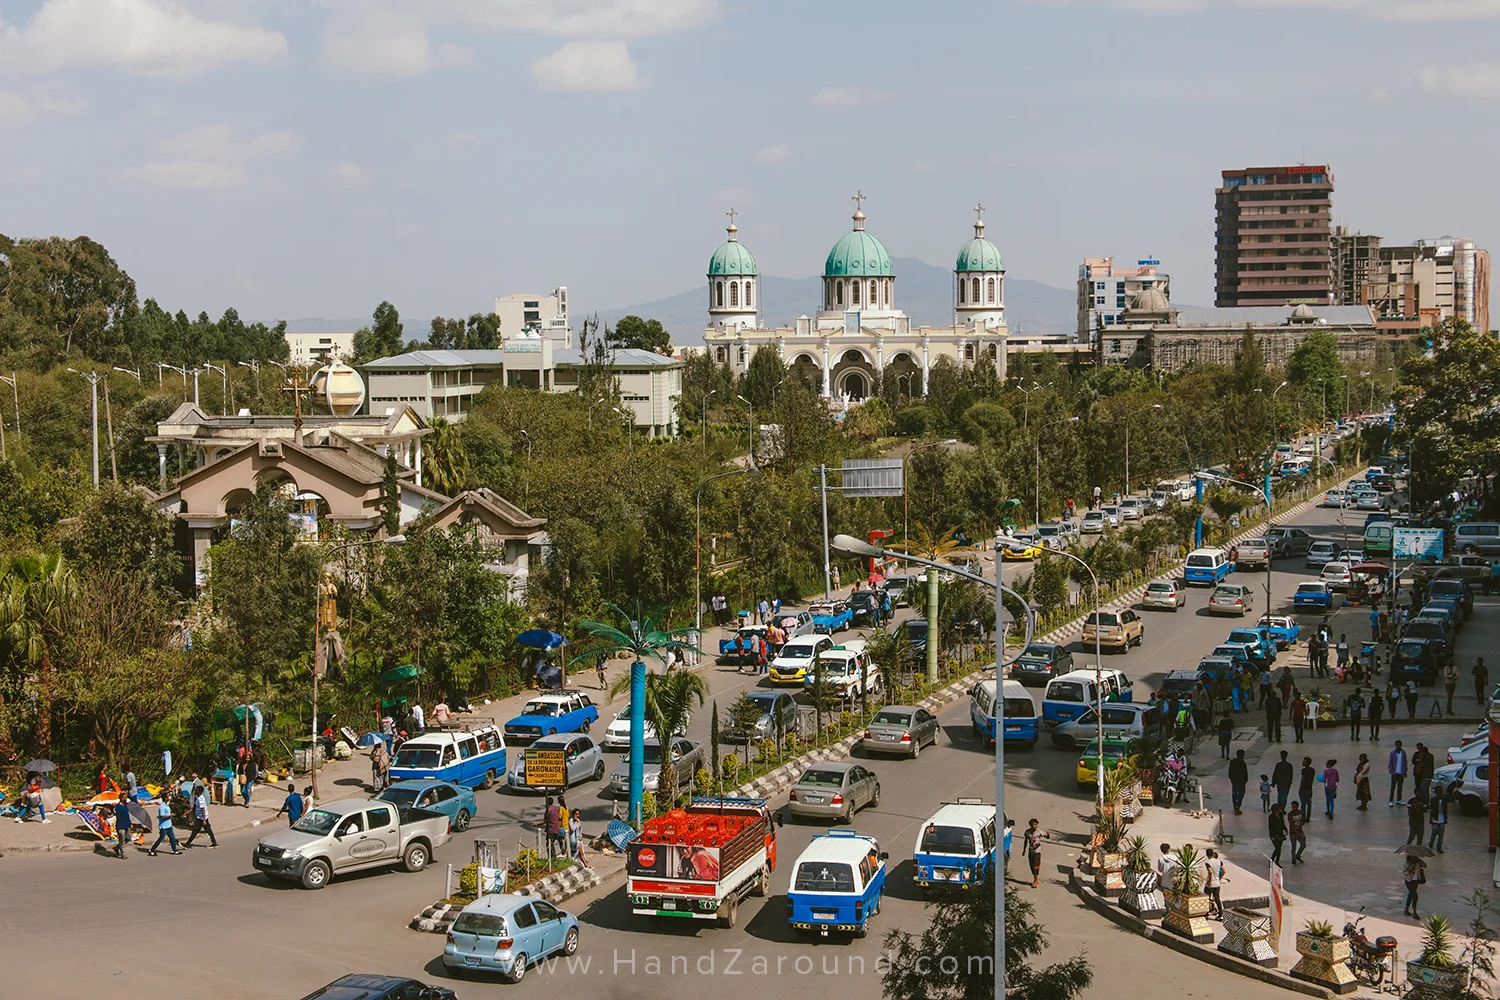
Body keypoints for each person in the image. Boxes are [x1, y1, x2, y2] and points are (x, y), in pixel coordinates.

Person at [184, 783, 217, 848]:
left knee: (195, 831)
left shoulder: (201, 799)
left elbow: (203, 809)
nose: (195, 791)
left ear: (199, 791)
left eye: (196, 790)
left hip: (201, 818)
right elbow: (194, 807)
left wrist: (204, 820)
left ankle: (187, 844)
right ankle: (214, 843)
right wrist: (188, 812)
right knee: (206, 830)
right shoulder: (198, 798)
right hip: (201, 817)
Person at [1024, 819, 1050, 889]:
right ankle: (1035, 879)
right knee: (1032, 866)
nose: (1035, 826)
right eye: (1034, 825)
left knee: (1036, 867)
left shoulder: (1039, 832)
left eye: (1036, 824)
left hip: (1037, 852)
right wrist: (1024, 850)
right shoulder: (1027, 832)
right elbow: (1026, 841)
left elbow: (1047, 836)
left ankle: (1036, 881)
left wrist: (1048, 835)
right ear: (1030, 825)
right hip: (1031, 851)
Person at [1203, 848, 1225, 917]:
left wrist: (1209, 881)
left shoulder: (1208, 863)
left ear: (1207, 855)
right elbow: (1224, 871)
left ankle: (1206, 913)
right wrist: (1219, 878)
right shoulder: (1219, 862)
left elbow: (1210, 872)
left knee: (1207, 898)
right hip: (1217, 883)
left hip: (1210, 884)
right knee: (1217, 899)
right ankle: (1220, 914)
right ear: (1213, 854)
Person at [1229, 749, 1249, 815]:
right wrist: (1245, 780)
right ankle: (1237, 807)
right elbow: (1245, 773)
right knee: (1241, 794)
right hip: (1241, 782)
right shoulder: (1243, 763)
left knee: (1234, 793)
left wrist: (1232, 779)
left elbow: (1230, 772)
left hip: (1235, 781)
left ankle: (1235, 806)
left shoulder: (1232, 762)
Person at [1388, 740, 1408, 805]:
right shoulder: (1392, 753)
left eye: (1400, 745)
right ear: (1395, 745)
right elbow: (1390, 762)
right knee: (1393, 787)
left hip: (1401, 773)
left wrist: (1405, 771)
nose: (1398, 746)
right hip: (1394, 773)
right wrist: (1391, 771)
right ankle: (1391, 800)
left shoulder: (1403, 753)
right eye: (1397, 745)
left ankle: (1399, 799)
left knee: (1400, 788)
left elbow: (1405, 762)